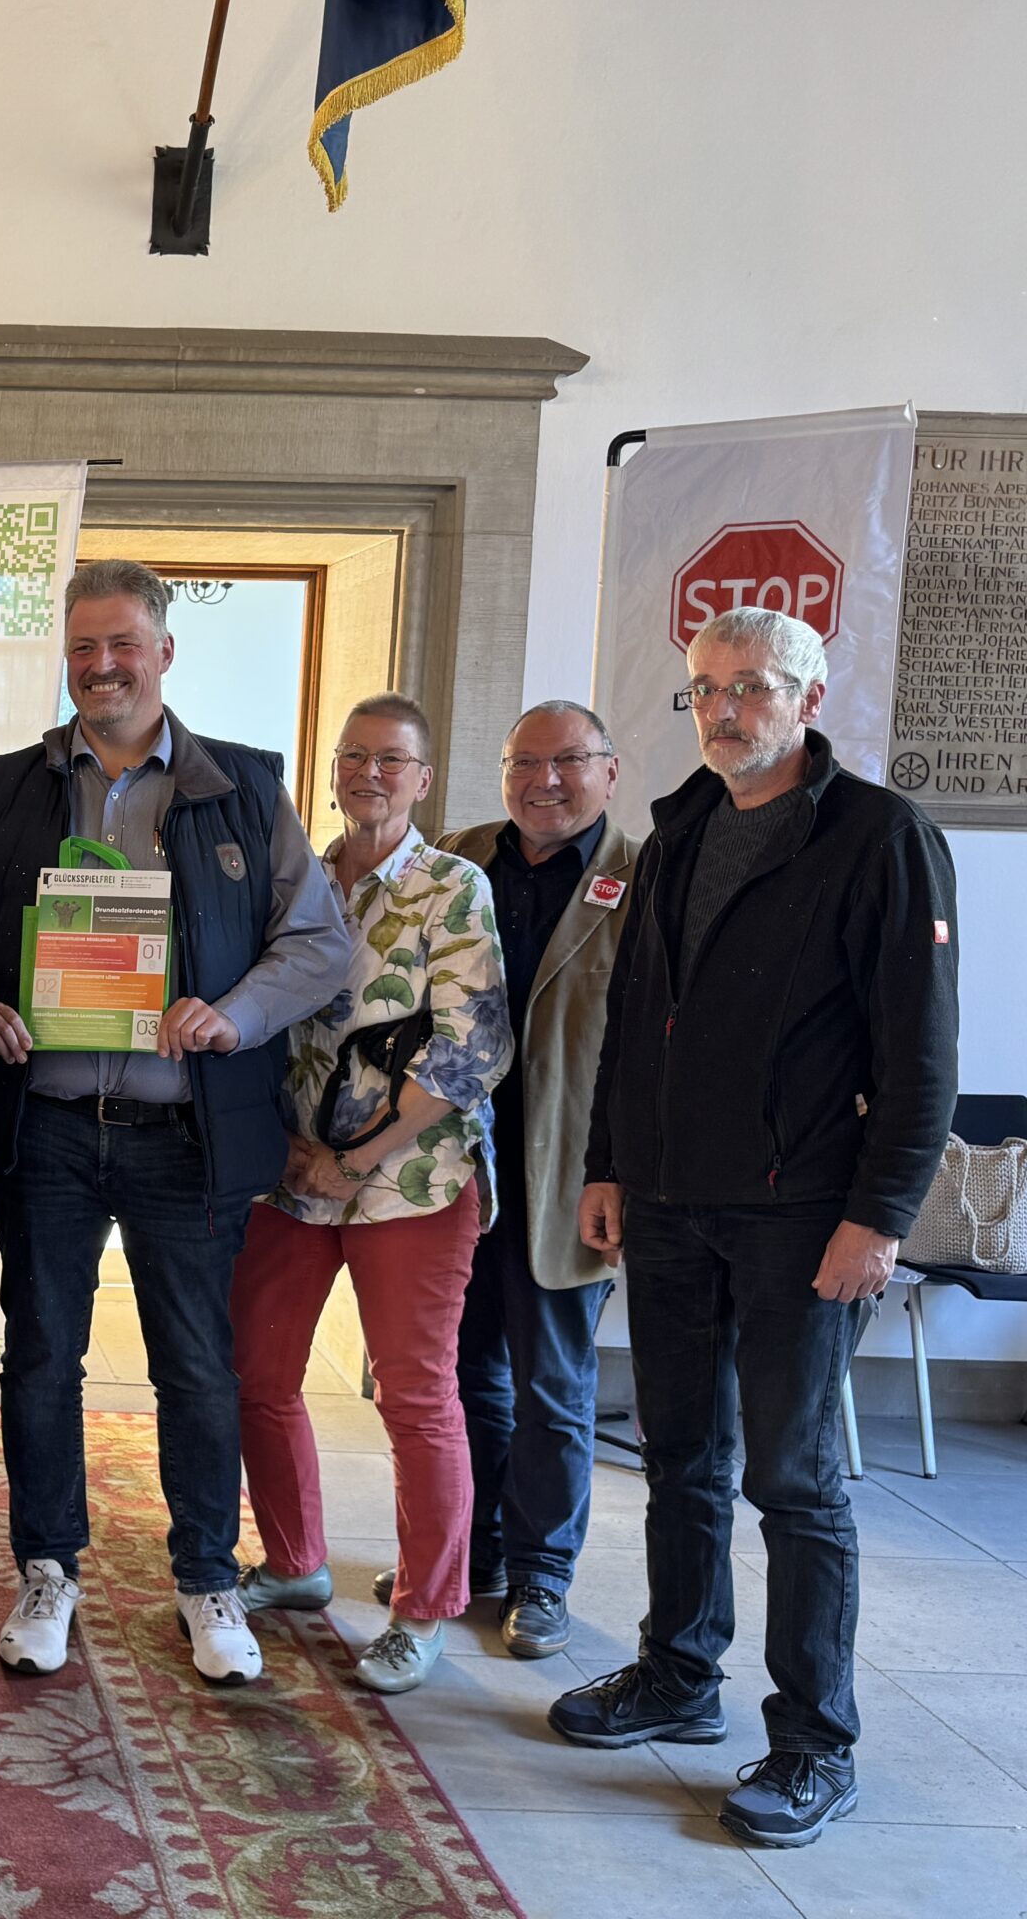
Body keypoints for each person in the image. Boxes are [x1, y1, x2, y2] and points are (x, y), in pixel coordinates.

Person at [552, 607, 959, 1849]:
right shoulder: (678, 829)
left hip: (803, 1216)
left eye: (754, 688)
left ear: (808, 697)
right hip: (670, 1203)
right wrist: (609, 1164)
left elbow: (921, 1054)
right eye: (707, 689)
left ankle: (813, 1744)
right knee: (680, 1456)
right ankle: (678, 1674)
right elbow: (634, 1014)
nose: (726, 711)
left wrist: (877, 1218)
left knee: (793, 1480)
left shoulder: (880, 837)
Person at [0, 558, 350, 1686]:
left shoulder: (242, 788)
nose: (101, 666)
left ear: (164, 651)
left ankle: (207, 1579)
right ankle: (45, 1570)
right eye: (82, 648)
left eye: (122, 644)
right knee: (40, 1358)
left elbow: (319, 943)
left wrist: (234, 1013)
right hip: (48, 1128)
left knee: (197, 1368)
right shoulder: (10, 786)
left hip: (185, 1135)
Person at [228, 694, 512, 1694]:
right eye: (354, 757)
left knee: (416, 1394)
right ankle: (294, 1562)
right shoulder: (300, 882)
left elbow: (470, 1049)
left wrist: (355, 1159)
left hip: (412, 1179)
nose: (370, 774)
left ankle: (425, 1610)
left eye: (392, 759)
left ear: (423, 778)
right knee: (257, 1372)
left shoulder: (453, 887)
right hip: (293, 1175)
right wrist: (294, 1151)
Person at [437, 700, 634, 1659]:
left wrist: (623, 1171)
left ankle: (542, 1575)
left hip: (567, 1176)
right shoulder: (459, 857)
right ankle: (474, 1553)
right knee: (462, 1373)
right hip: (454, 1169)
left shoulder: (643, 880)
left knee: (552, 1383)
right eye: (523, 762)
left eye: (568, 761)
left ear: (610, 771)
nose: (543, 781)